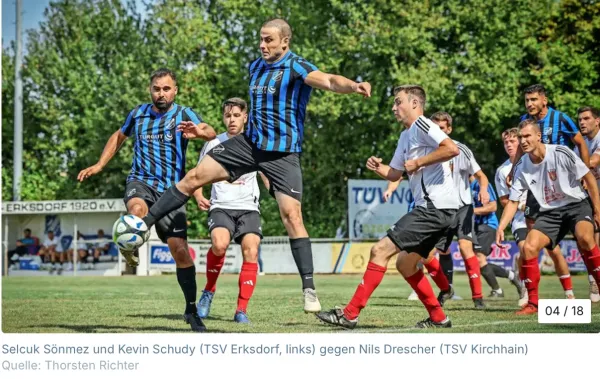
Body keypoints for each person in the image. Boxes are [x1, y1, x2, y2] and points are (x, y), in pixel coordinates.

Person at [139, 18, 371, 313]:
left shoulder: (296, 66)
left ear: (285, 42)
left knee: (292, 217)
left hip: (282, 155)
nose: (263, 45)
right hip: (248, 146)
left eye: (269, 41)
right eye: (261, 40)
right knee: (194, 177)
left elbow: (327, 80)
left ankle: (309, 289)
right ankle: (143, 224)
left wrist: (353, 86)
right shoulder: (255, 67)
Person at [77, 68, 216, 332]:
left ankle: (191, 310)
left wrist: (198, 133)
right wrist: (99, 164)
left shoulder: (184, 114)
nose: (161, 93)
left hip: (172, 191)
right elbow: (119, 136)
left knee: (180, 251)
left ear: (175, 90)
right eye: (156, 88)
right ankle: (130, 244)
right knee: (137, 209)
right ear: (150, 90)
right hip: (140, 181)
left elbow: (210, 132)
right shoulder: (138, 113)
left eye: (166, 89)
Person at [316, 85, 458, 329]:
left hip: (435, 209)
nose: (394, 107)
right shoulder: (406, 136)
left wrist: (419, 162)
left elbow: (451, 148)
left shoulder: (424, 125)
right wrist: (376, 167)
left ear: (414, 103)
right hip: (436, 210)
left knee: (379, 250)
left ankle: (349, 314)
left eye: (398, 102)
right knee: (404, 264)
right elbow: (395, 173)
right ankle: (438, 317)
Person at [496, 119, 600, 315]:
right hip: (550, 212)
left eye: (527, 136)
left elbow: (588, 178)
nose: (523, 141)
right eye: (520, 137)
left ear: (538, 136)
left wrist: (597, 210)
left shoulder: (560, 152)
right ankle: (533, 304)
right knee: (528, 248)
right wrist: (502, 226)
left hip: (576, 204)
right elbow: (512, 201)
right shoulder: (521, 166)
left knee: (585, 238)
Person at [509, 84, 590, 299]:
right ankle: (529, 293)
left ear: (544, 100)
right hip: (538, 188)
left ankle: (586, 282)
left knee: (583, 237)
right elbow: (519, 147)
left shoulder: (561, 119)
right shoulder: (525, 122)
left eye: (534, 99)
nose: (529, 104)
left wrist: (585, 171)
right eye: (527, 100)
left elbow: (580, 142)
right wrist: (513, 168)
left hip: (564, 187)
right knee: (532, 243)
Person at [193, 97, 270, 323]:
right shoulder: (213, 143)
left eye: (236, 115)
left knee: (251, 250)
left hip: (248, 208)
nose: (232, 120)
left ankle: (241, 310)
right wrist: (198, 195)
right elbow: (197, 174)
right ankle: (208, 291)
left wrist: (277, 190)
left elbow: (267, 172)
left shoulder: (256, 143)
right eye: (228, 116)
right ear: (223, 117)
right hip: (221, 207)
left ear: (245, 117)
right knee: (219, 244)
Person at [424, 111, 489, 309]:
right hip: (441, 208)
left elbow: (481, 176)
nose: (438, 132)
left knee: (464, 247)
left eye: (442, 128)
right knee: (427, 253)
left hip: (463, 207)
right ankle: (445, 289)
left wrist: (484, 190)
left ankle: (478, 298)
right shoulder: (427, 151)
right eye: (435, 128)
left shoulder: (461, 150)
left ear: (449, 129)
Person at [470, 175, 524, 301]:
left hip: (488, 225)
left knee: (479, 259)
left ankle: (499, 288)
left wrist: (471, 211)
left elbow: (493, 207)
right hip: (476, 227)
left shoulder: (482, 184)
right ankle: (506, 281)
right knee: (478, 261)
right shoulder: (465, 186)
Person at [495, 127, 530, 307]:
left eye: (512, 141)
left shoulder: (533, 160)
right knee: (525, 249)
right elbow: (503, 200)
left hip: (543, 215)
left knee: (552, 253)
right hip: (519, 217)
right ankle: (525, 288)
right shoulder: (502, 171)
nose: (509, 145)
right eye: (506, 142)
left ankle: (569, 293)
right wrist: (521, 206)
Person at [576, 106, 600, 303]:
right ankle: (594, 279)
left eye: (586, 118)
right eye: (580, 119)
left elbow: (593, 161)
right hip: (592, 197)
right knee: (586, 238)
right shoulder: (580, 144)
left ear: (597, 120)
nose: (582, 122)